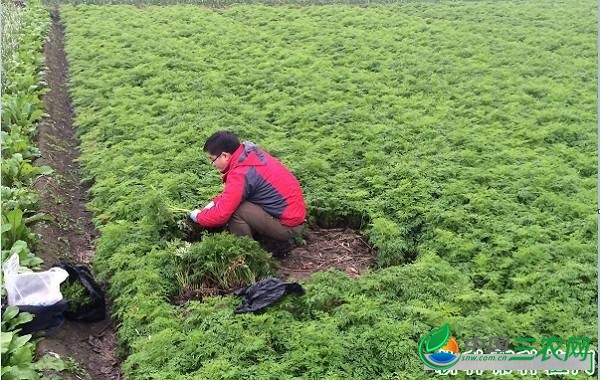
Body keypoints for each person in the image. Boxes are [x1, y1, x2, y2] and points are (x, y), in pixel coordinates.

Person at [189, 131, 306, 245]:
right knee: (238, 203)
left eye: (212, 159)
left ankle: (246, 250)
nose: (213, 164)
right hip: (293, 216)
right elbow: (232, 195)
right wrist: (214, 203)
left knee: (235, 211)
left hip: (288, 226)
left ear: (224, 155)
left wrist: (198, 217)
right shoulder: (249, 154)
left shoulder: (241, 172)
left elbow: (221, 214)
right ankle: (262, 238)